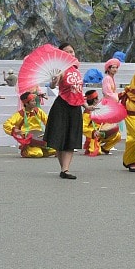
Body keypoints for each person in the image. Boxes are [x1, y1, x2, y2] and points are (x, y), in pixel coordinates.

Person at [44, 43, 93, 179]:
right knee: (60, 138)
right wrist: (54, 81)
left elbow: (78, 91)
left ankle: (65, 170)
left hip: (75, 107)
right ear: (61, 54)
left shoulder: (76, 70)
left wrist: (86, 106)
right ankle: (63, 169)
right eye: (67, 52)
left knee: (71, 138)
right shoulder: (60, 69)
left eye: (72, 51)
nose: (71, 54)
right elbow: (54, 85)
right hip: (62, 106)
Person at [3, 91, 55, 158]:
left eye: (34, 101)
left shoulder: (38, 111)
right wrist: (14, 129)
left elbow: (48, 121)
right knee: (37, 154)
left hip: (39, 137)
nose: (35, 102)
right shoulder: (19, 114)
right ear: (26, 103)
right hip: (28, 140)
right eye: (32, 101)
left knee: (56, 150)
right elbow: (6, 124)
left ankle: (42, 150)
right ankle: (25, 151)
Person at [82, 90, 121, 156]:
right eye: (97, 98)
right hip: (94, 136)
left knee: (117, 135)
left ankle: (105, 148)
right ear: (94, 100)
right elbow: (83, 128)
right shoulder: (87, 113)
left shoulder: (100, 109)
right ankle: (95, 146)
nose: (98, 100)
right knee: (96, 152)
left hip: (102, 133)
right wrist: (93, 132)